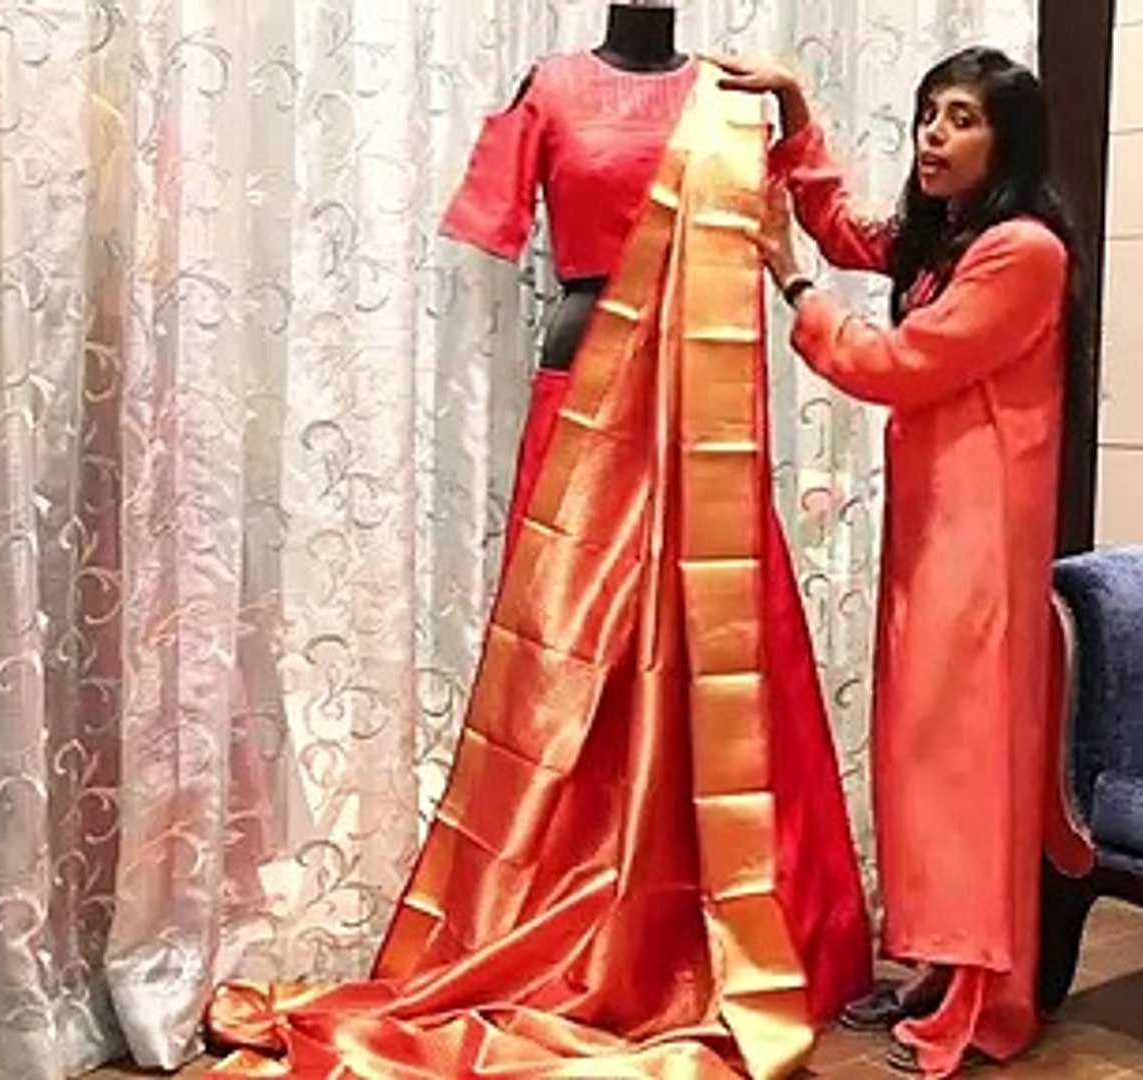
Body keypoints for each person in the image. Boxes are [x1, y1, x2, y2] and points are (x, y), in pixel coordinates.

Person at [200, 8, 872, 1077]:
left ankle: (723, 928)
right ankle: (556, 907)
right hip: (584, 383)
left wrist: (795, 111)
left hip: (703, 401)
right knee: (568, 647)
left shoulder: (731, 98)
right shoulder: (546, 88)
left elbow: (836, 233)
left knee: (714, 638)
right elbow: (496, 225)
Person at [716, 46, 1085, 1076]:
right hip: (936, 530)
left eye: (962, 118)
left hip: (982, 541)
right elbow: (851, 230)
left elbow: (894, 364)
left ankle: (988, 1000)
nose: (934, 134)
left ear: (1008, 140)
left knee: (966, 761)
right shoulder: (954, 239)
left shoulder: (1023, 252)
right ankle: (941, 965)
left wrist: (790, 280)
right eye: (930, 113)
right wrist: (797, 112)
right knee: (923, 755)